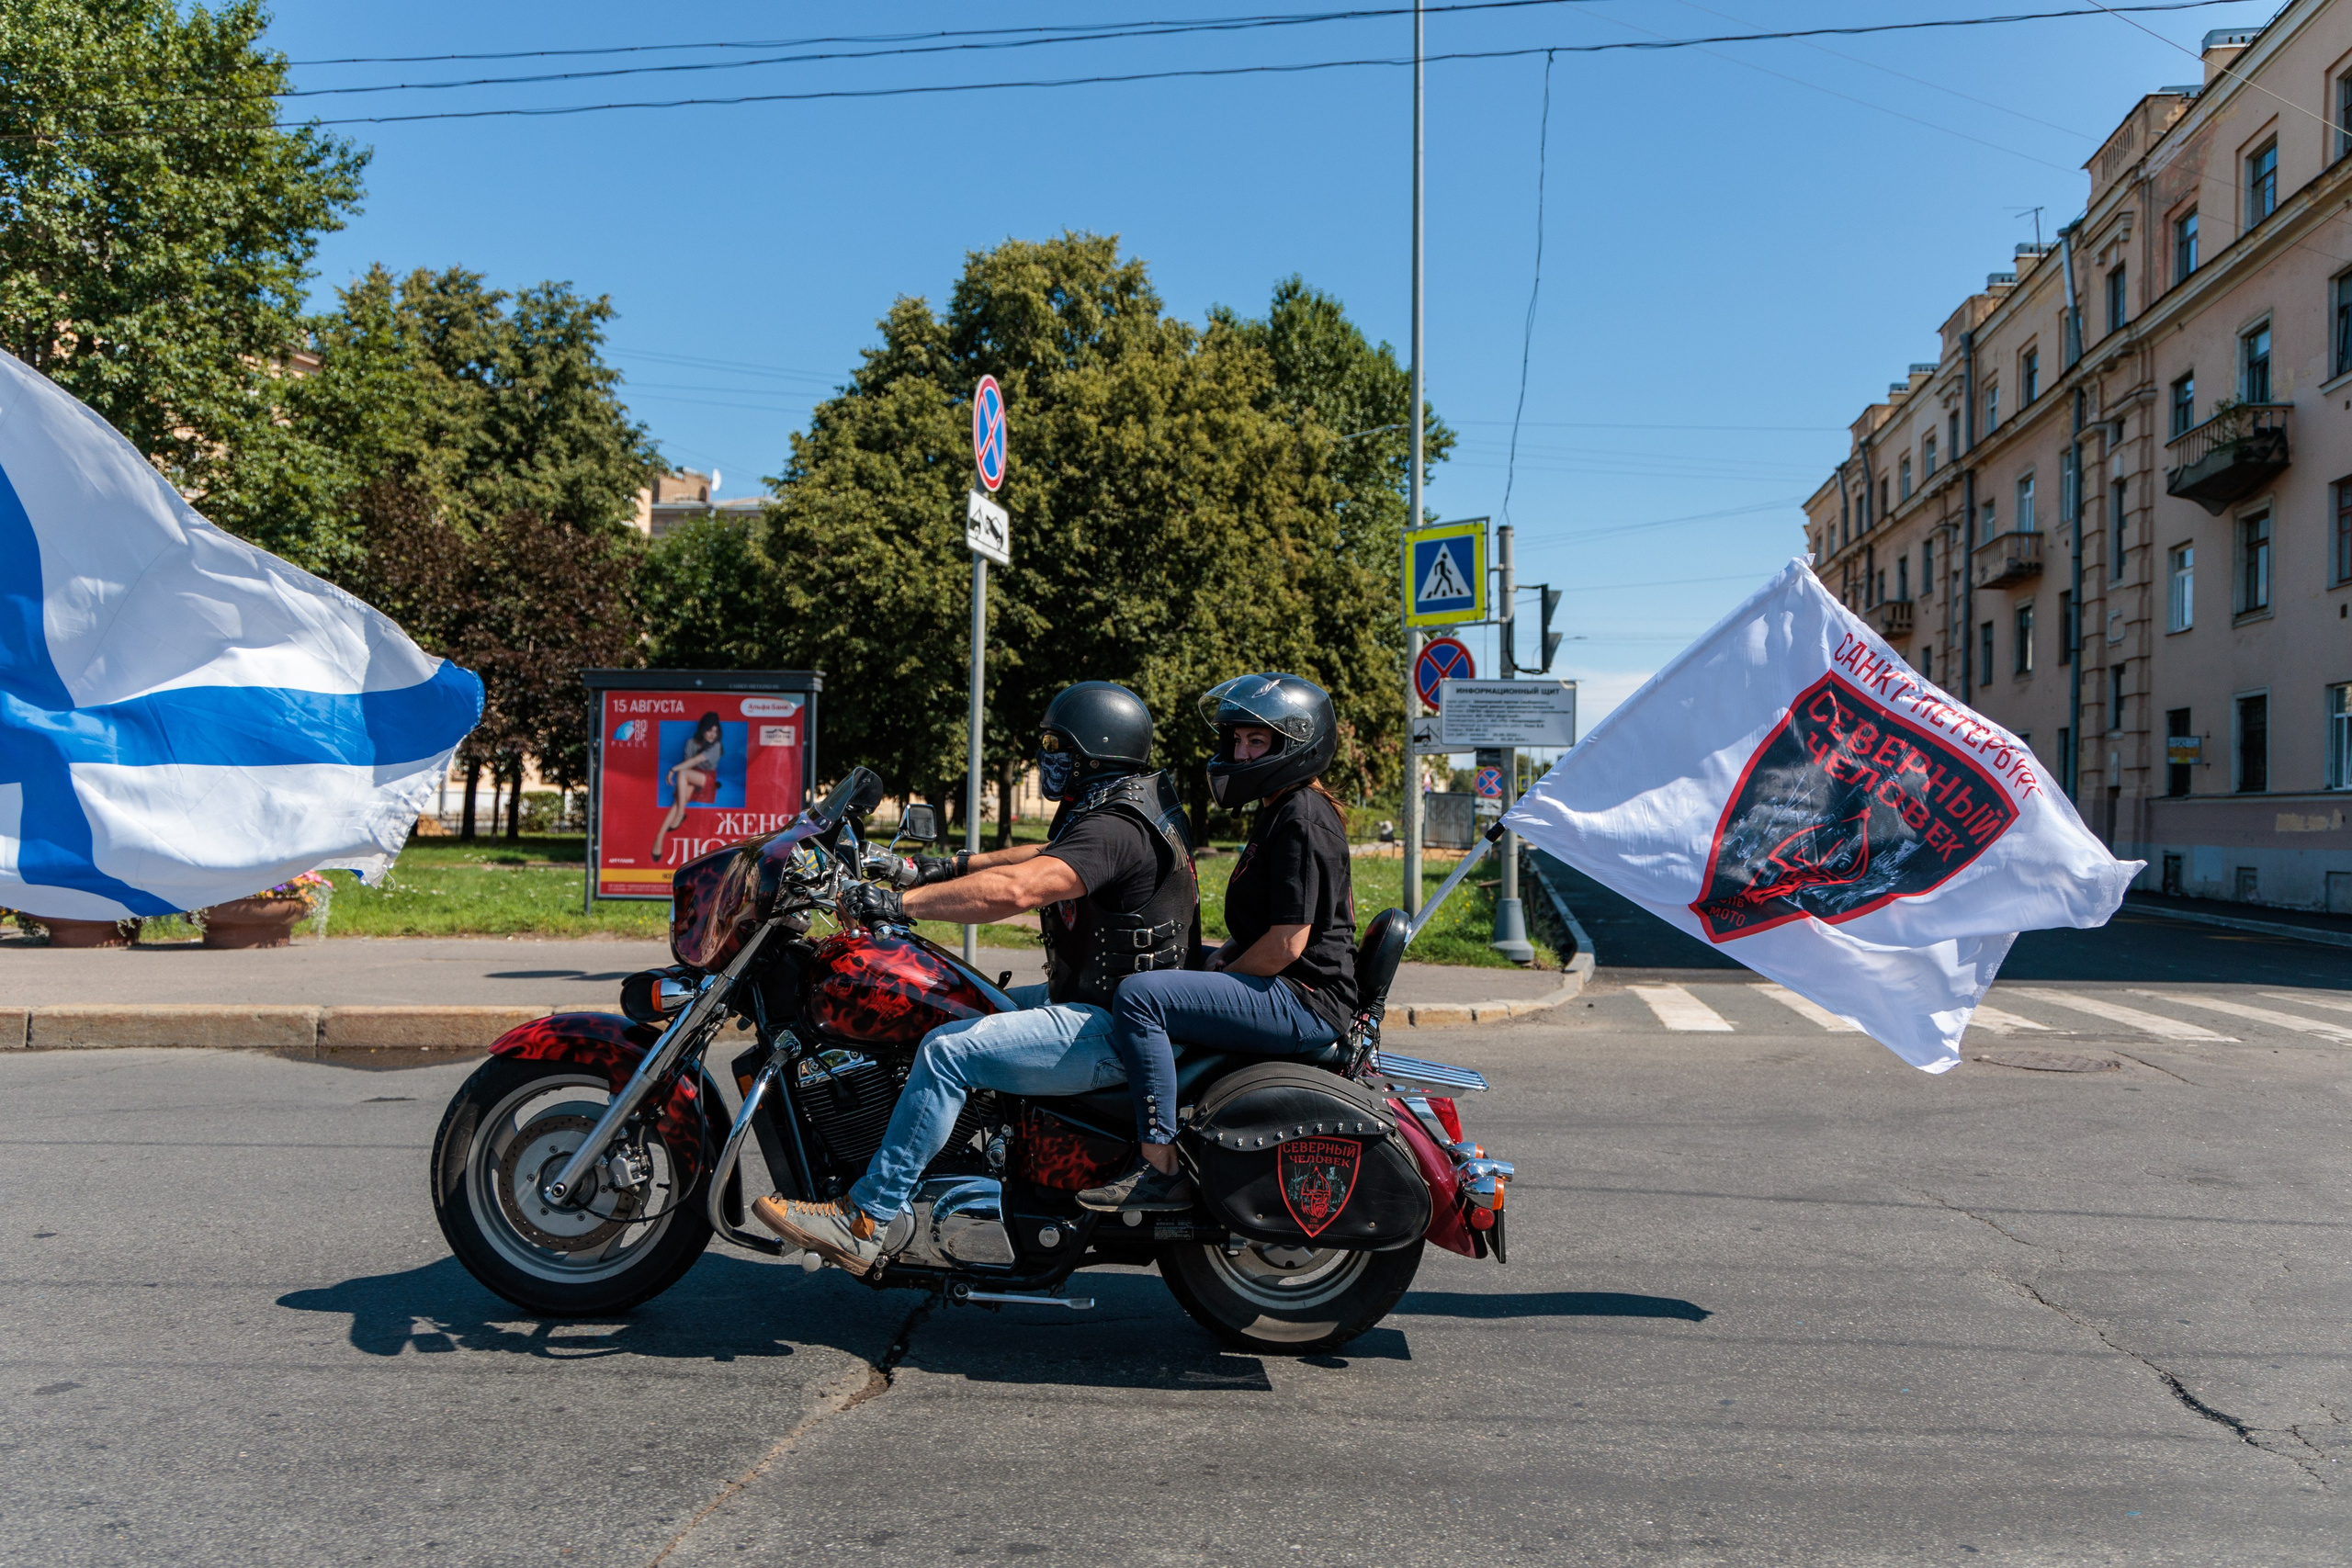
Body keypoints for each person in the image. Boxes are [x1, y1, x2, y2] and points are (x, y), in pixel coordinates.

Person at [752, 680, 1200, 1274]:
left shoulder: (1118, 825)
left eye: (1058, 746)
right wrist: (924, 869)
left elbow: (1019, 888)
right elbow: (1035, 856)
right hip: (1099, 1001)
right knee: (951, 1007)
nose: (1048, 758)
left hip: (1113, 1027)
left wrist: (897, 904)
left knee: (946, 1051)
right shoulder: (1118, 806)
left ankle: (866, 1217)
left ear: (1097, 750)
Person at [1077, 673, 1357, 1213]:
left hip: (1304, 1000)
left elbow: (1287, 943)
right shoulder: (1282, 807)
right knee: (1174, 963)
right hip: (1295, 987)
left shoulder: (1301, 817)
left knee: (1142, 996)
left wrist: (1219, 979)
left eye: (1258, 742)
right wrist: (1223, 954)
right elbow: (1275, 921)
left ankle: (1158, 1165)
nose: (1241, 751)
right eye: (1237, 740)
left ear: (1296, 745)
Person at [651, 712, 725, 863]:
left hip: (708, 779)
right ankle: (659, 837)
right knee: (680, 800)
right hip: (691, 776)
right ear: (703, 728)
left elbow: (695, 761)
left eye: (715, 731)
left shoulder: (716, 746)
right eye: (710, 730)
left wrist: (673, 770)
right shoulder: (691, 743)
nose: (712, 735)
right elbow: (689, 764)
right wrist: (680, 772)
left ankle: (680, 815)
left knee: (683, 775)